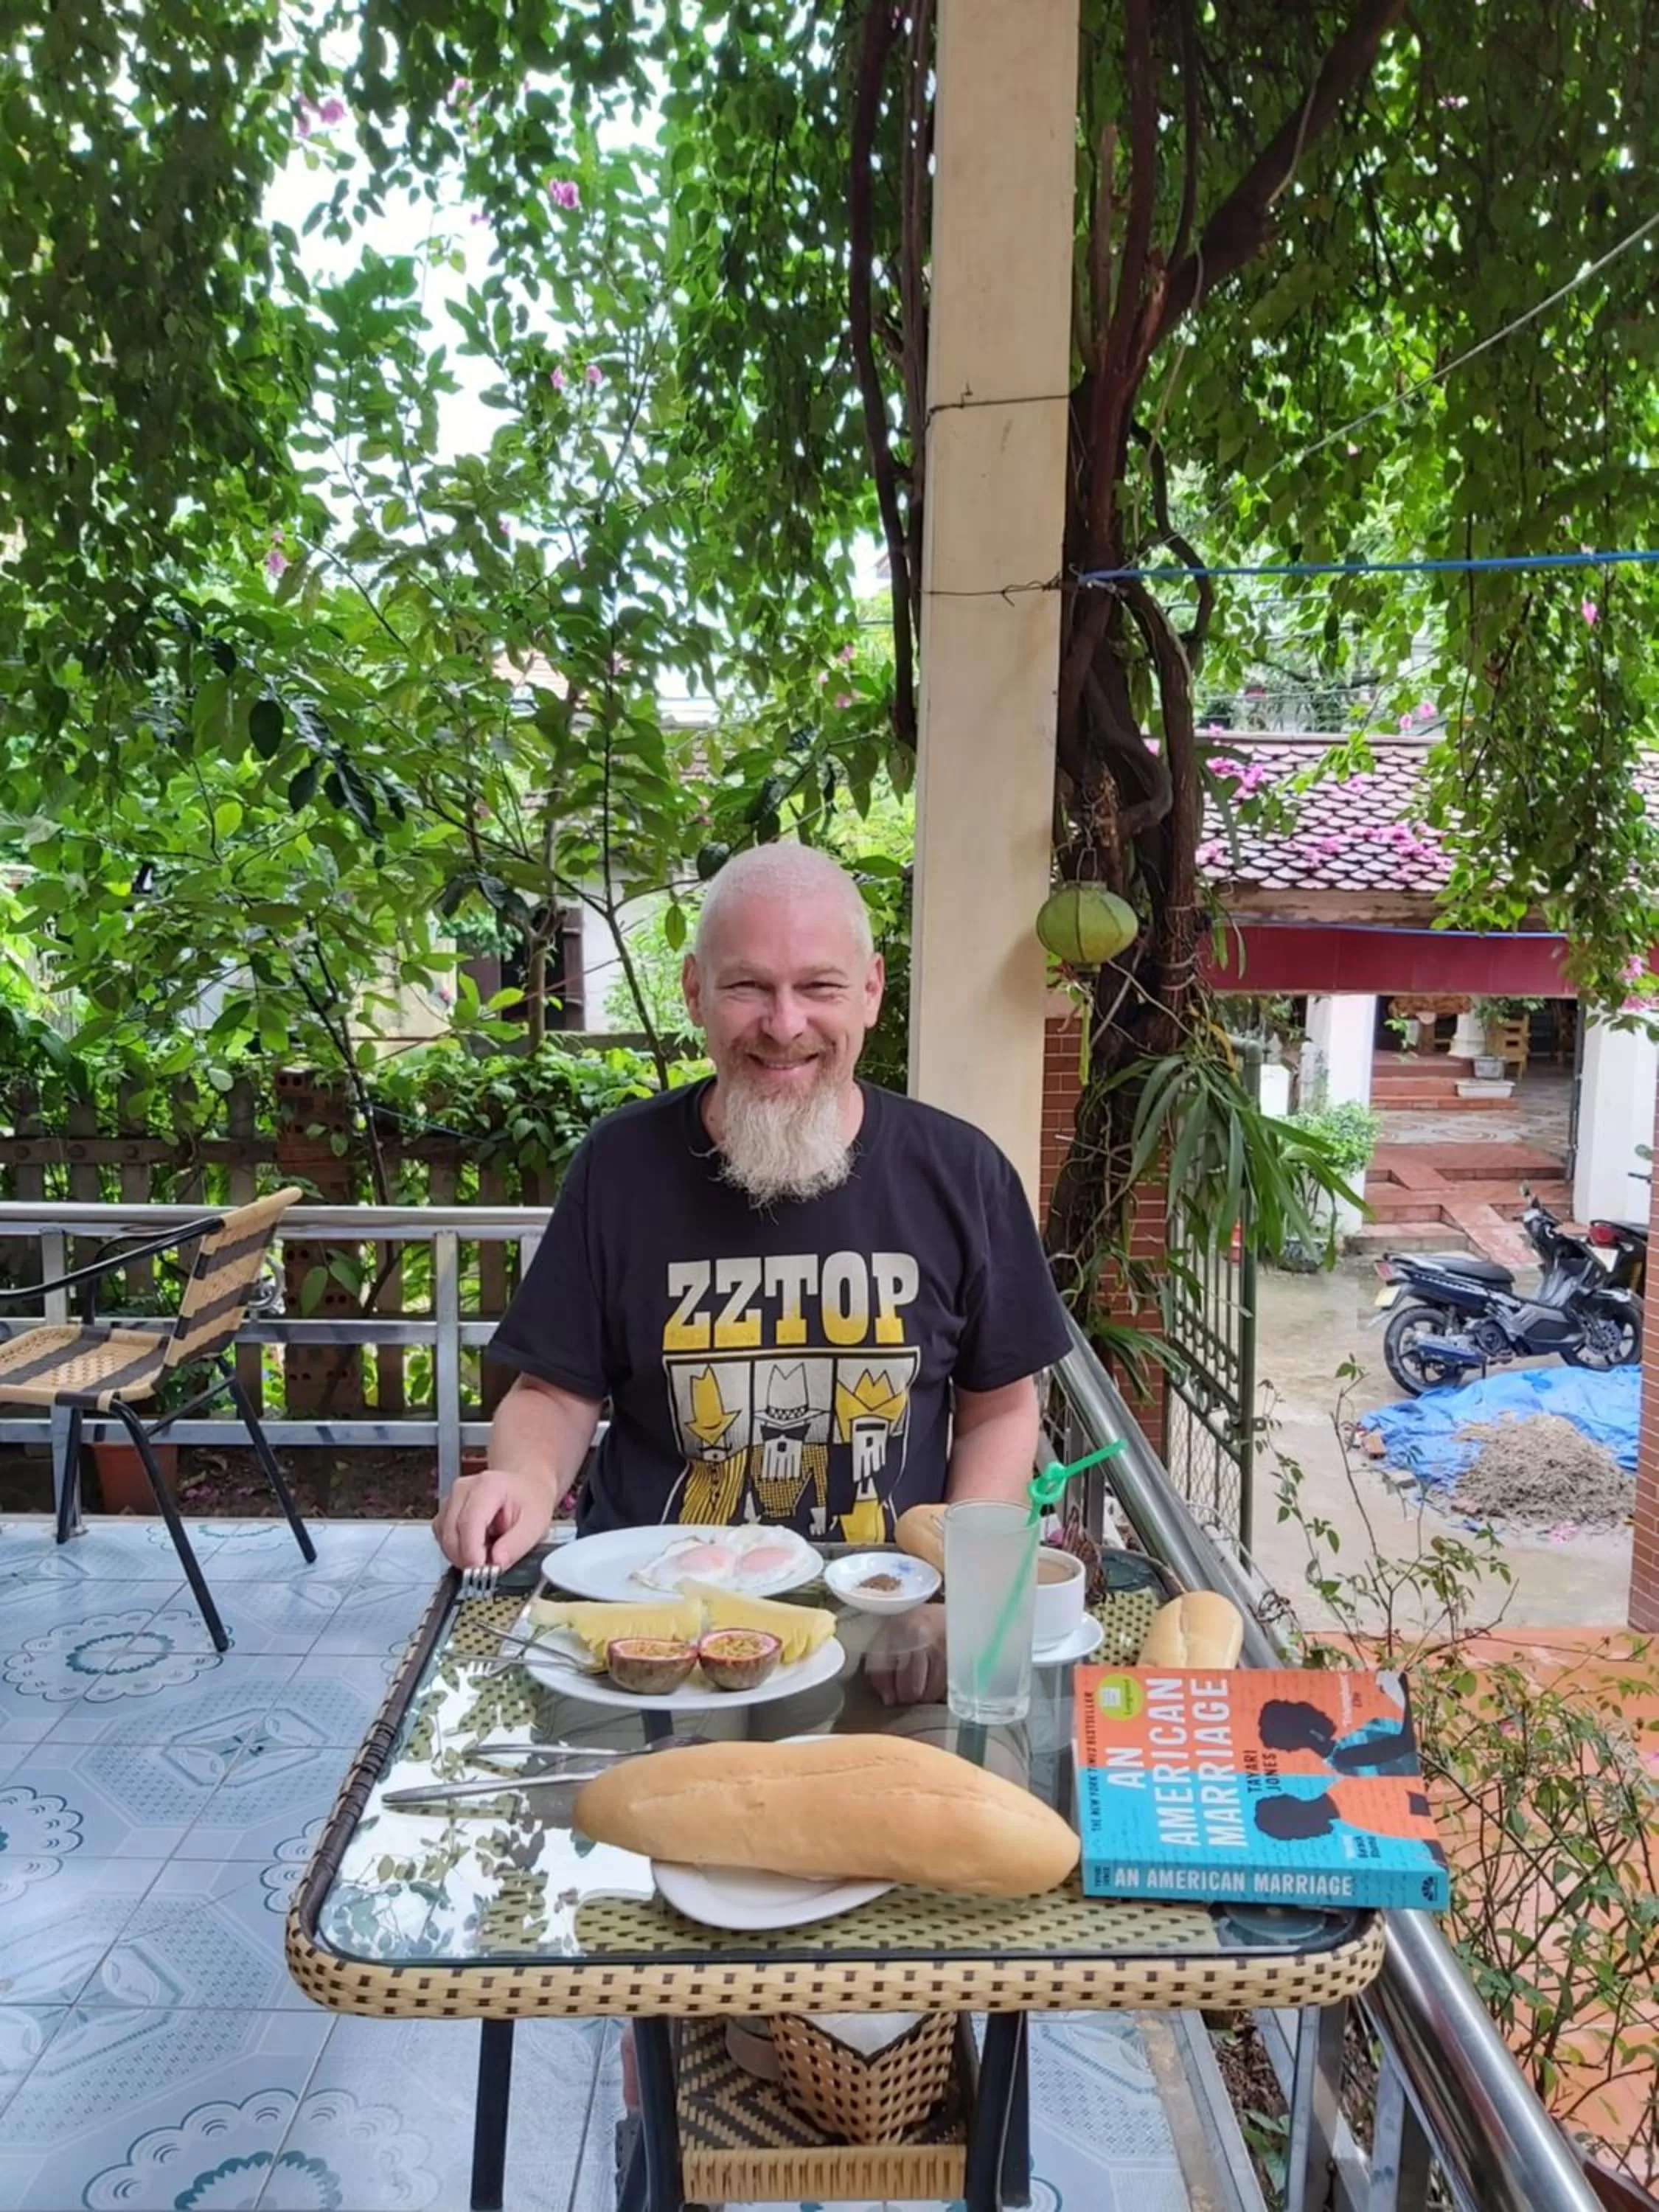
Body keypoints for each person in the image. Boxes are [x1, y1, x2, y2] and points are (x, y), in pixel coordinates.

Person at [434, 841, 1072, 1696]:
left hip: (883, 1629)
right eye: (748, 987)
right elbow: (554, 1391)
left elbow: (1000, 1407)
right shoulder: (619, 1167)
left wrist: (955, 1589)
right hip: (650, 1633)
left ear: (871, 991)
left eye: (819, 986)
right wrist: (521, 1479)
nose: (784, 1023)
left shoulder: (962, 1174)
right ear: (695, 991)